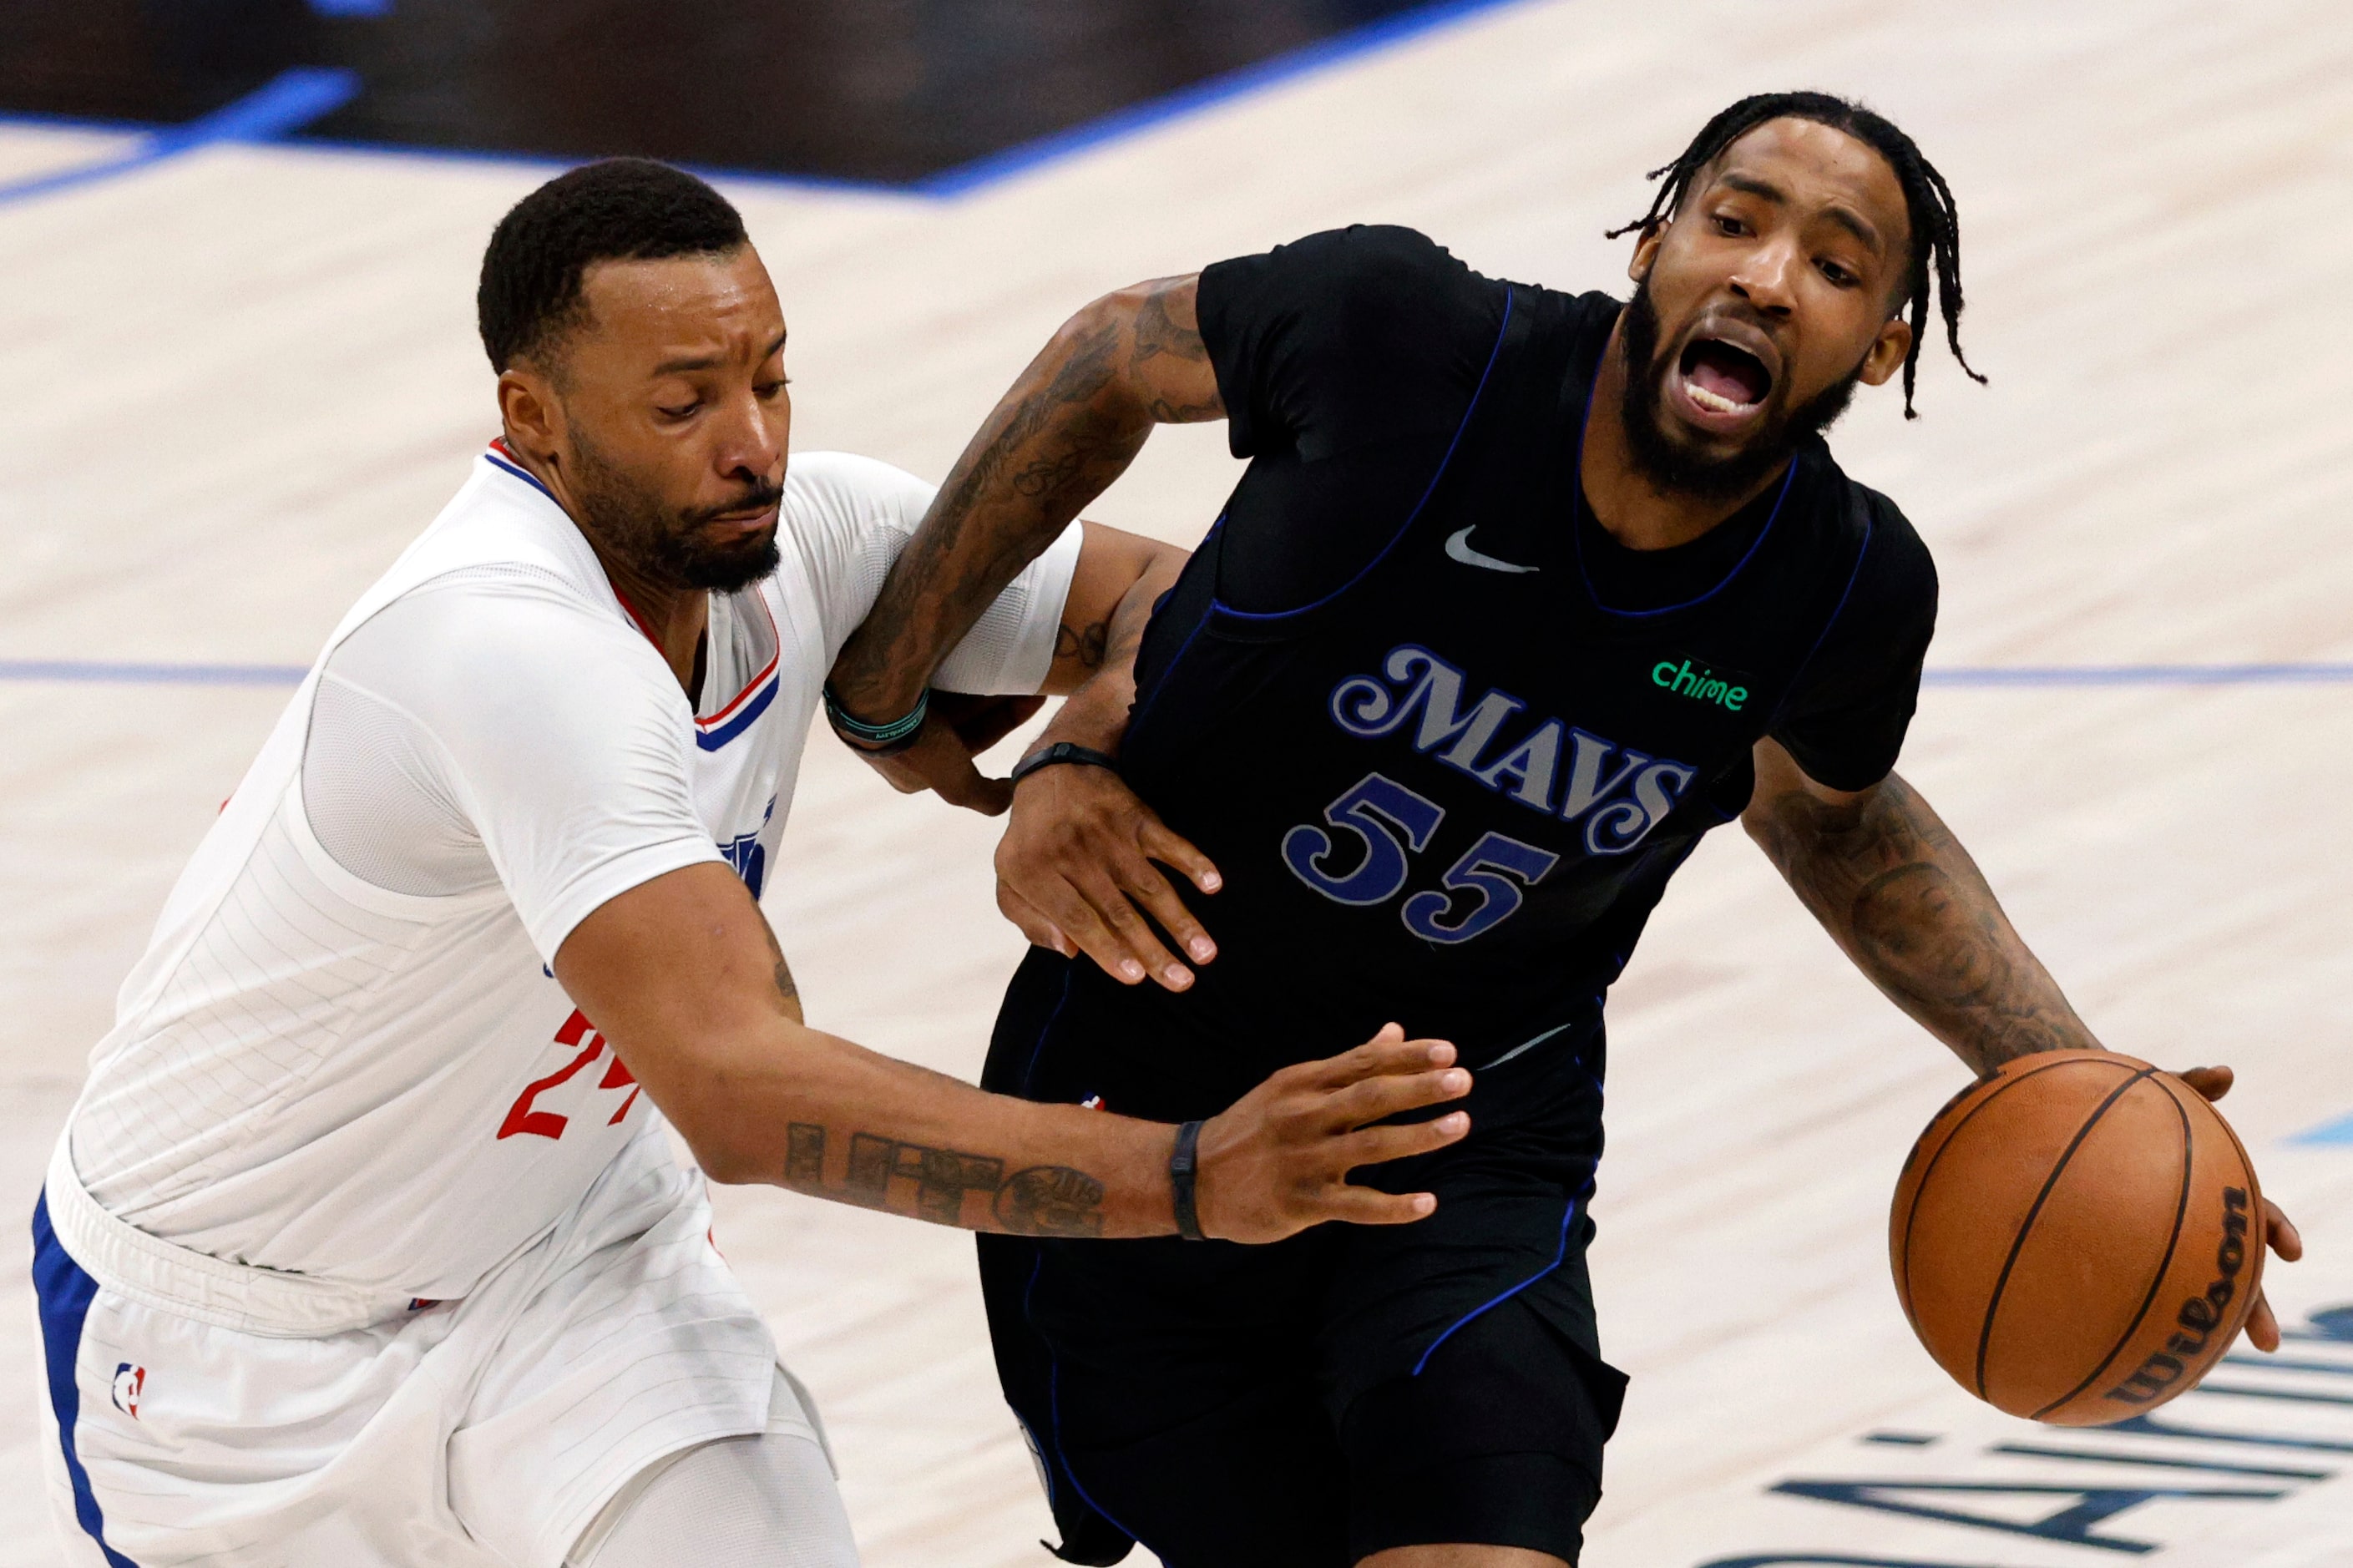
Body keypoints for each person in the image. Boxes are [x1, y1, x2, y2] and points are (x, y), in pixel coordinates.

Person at [823, 93, 2306, 1568]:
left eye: (1838, 267)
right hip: (1140, 1107)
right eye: (1733, 220)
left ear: (1881, 348)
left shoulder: (1840, 589)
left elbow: (1837, 822)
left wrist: (2075, 1077)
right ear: (1655, 243)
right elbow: (1112, 356)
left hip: (1463, 1138)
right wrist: (894, 686)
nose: (1766, 275)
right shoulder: (1398, 339)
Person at [29, 158, 1478, 1568]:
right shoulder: (506, 648)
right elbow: (735, 1087)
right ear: (532, 417)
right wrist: (1186, 1174)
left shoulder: (809, 533)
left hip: (569, 1273)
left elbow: (1182, 603)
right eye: (684, 404)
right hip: (239, 1354)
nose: (753, 445)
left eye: (769, 379)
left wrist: (1072, 751)